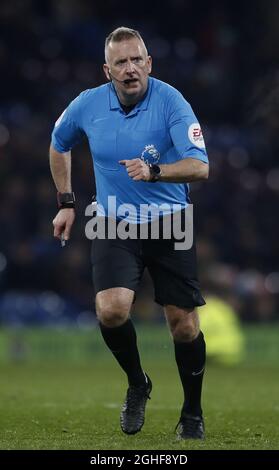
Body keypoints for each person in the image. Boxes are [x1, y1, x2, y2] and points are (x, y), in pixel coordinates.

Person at [50, 27, 209, 440]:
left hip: (171, 219)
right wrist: (67, 203)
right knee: (111, 310)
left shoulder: (172, 102)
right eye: (120, 62)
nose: (130, 68)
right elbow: (58, 142)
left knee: (184, 327)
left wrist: (156, 172)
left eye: (137, 60)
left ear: (149, 64)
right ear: (108, 70)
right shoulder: (87, 105)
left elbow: (200, 166)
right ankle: (138, 383)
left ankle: (192, 412)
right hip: (113, 221)